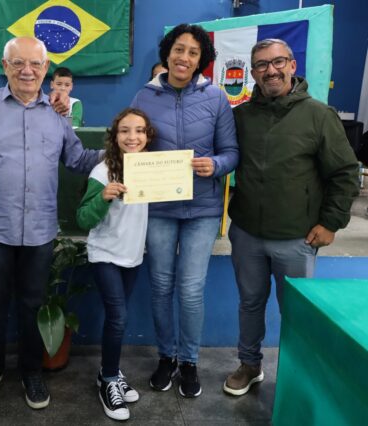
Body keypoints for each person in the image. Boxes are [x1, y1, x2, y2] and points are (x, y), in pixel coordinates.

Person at [0, 36, 100, 410]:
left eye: (35, 64)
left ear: (46, 69)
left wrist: (123, 153)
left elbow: (78, 160)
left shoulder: (58, 113)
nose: (27, 71)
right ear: (5, 67)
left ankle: (32, 371)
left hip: (39, 230)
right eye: (18, 63)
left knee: (33, 303)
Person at [223, 38, 359, 396]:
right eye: (262, 65)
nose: (271, 70)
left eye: (278, 62)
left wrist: (331, 222)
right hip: (247, 233)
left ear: (292, 65)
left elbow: (345, 173)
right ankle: (249, 364)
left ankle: (297, 376)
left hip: (297, 237)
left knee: (296, 312)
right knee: (250, 304)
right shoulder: (241, 116)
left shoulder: (319, 115)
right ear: (253, 73)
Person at [130, 24, 239, 398]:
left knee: (191, 290)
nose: (184, 57)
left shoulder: (216, 98)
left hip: (203, 209)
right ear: (167, 52)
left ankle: (189, 361)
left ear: (201, 59)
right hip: (158, 207)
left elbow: (231, 152)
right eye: (179, 49)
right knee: (161, 287)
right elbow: (131, 144)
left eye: (193, 52)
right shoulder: (144, 96)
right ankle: (167, 357)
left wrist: (216, 165)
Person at [76, 108, 155, 421]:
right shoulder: (102, 171)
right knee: (118, 317)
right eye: (125, 130)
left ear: (148, 136)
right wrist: (103, 197)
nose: (132, 137)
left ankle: (109, 372)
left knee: (118, 317)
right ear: (115, 135)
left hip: (132, 255)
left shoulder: (150, 168)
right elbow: (83, 218)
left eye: (139, 130)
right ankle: (109, 379)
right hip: (105, 254)